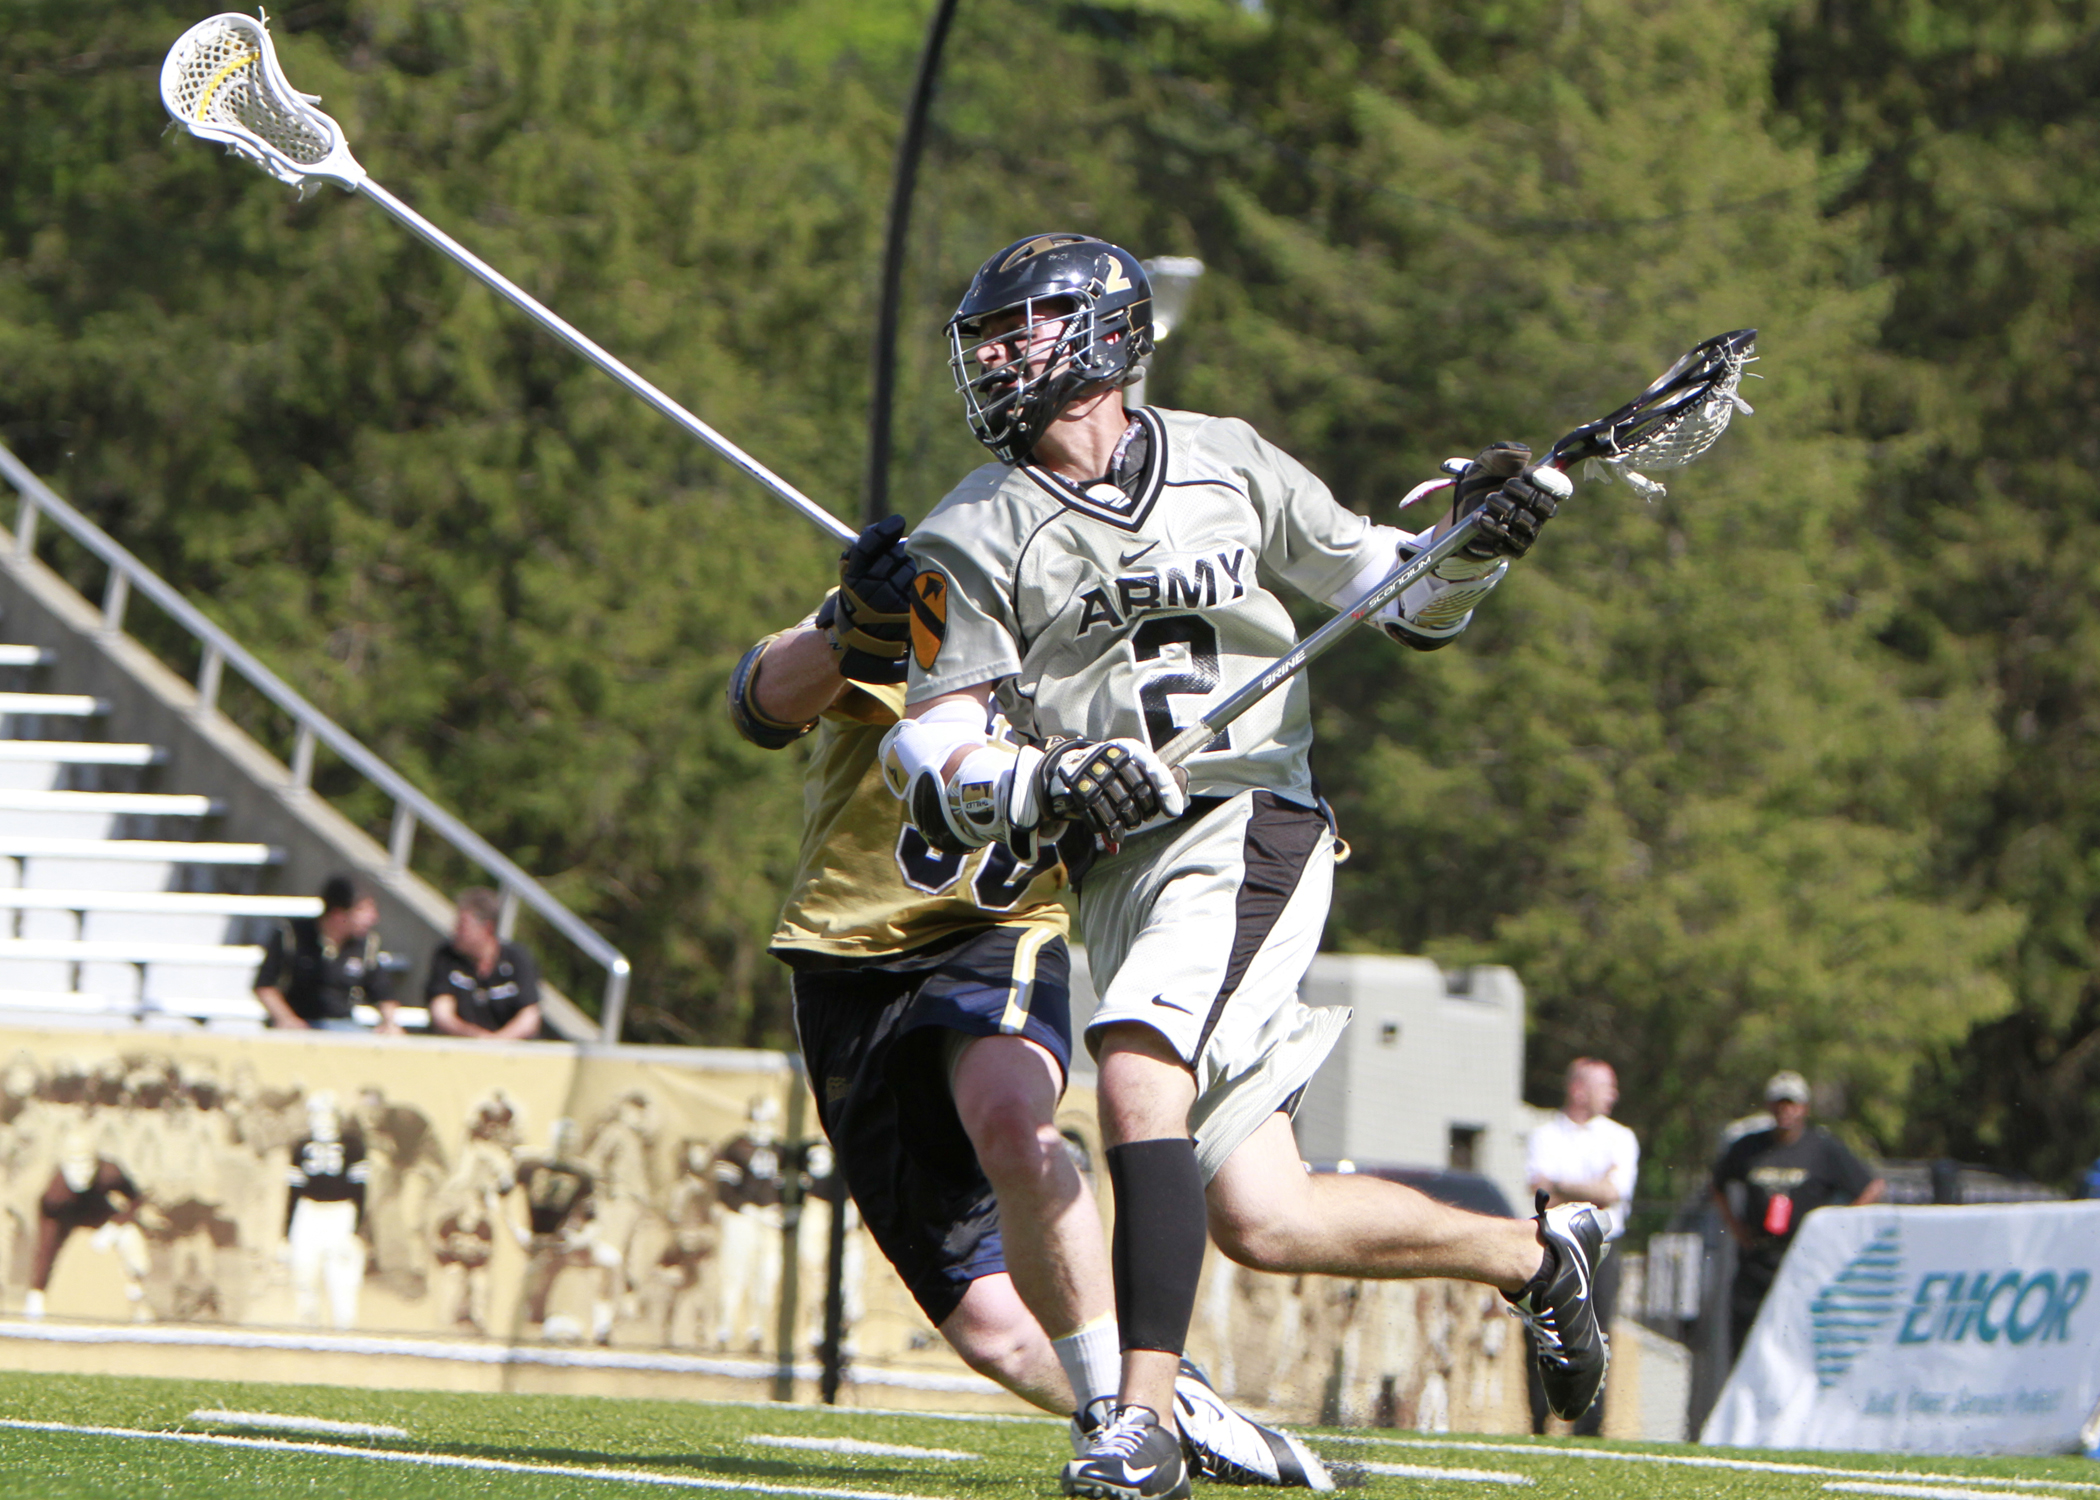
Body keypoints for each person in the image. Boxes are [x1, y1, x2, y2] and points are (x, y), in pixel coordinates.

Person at [883, 232, 1607, 1499]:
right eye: (987, 340)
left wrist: (1476, 550)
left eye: (1023, 329)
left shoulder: (1227, 456)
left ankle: (1144, 1423)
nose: (996, 358)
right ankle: (1539, 1260)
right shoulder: (971, 532)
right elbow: (932, 742)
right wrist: (1044, 778)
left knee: (1132, 1075)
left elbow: (1386, 590)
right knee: (1265, 1217)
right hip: (1113, 870)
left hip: (1247, 821)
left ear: (1106, 335)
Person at [729, 519, 1328, 1489]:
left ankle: (1132, 1417)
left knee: (1016, 1124)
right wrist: (850, 625)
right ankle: (1170, 1408)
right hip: (846, 957)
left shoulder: (1103, 645)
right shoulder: (921, 601)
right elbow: (759, 704)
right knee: (992, 1330)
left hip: (999, 930)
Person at [1710, 1069, 1886, 1363]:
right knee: (1747, 1342)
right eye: (1779, 1104)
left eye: (1792, 1104)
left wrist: (1835, 1227)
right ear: (1769, 1107)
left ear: (1804, 1108)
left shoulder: (1822, 1147)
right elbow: (1717, 1184)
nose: (1785, 1111)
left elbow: (1872, 1186)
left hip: (1804, 1261)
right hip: (1758, 1261)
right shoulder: (1749, 1147)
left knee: (1799, 1342)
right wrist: (1736, 1227)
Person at [1525, 1057, 1639, 1435]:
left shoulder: (1620, 1137)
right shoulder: (1545, 1135)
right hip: (1554, 1248)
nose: (1615, 1095)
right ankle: (1539, 1422)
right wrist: (1589, 1187)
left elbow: (1614, 1193)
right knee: (1544, 1331)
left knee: (1596, 1334)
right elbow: (1540, 1192)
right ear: (1578, 1090)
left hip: (1603, 1250)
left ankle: (1590, 1427)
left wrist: (1562, 1184)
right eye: (1605, 1086)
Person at [253, 874, 402, 1034]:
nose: (373, 918)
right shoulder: (291, 936)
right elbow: (265, 986)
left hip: (343, 1027)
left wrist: (389, 1022)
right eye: (363, 910)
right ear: (338, 914)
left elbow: (383, 993)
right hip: (298, 1025)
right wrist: (286, 1019)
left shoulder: (365, 945)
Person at [425, 887, 543, 1040]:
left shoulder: (518, 958)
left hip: (510, 1052)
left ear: (487, 928)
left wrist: (498, 1042)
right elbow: (441, 1013)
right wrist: (476, 1037)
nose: (455, 931)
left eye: (462, 926)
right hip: (460, 1048)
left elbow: (529, 1016)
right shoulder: (446, 956)